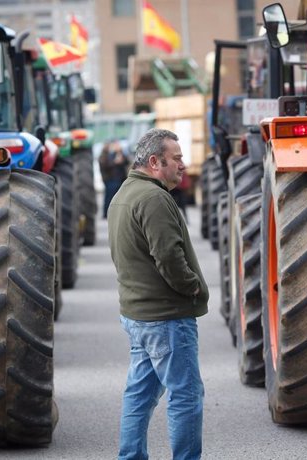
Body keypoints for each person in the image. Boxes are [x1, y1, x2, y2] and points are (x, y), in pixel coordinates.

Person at [107, 128, 209, 460]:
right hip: (165, 317)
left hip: (139, 316)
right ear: (155, 161)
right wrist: (191, 285)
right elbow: (169, 256)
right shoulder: (154, 198)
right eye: (176, 158)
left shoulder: (123, 194)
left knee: (139, 394)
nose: (183, 164)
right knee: (186, 396)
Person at [99, 140, 129, 218]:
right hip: (110, 180)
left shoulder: (120, 154)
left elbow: (126, 161)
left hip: (119, 179)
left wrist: (120, 153)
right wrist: (115, 162)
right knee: (109, 197)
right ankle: (106, 213)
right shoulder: (107, 155)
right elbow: (106, 165)